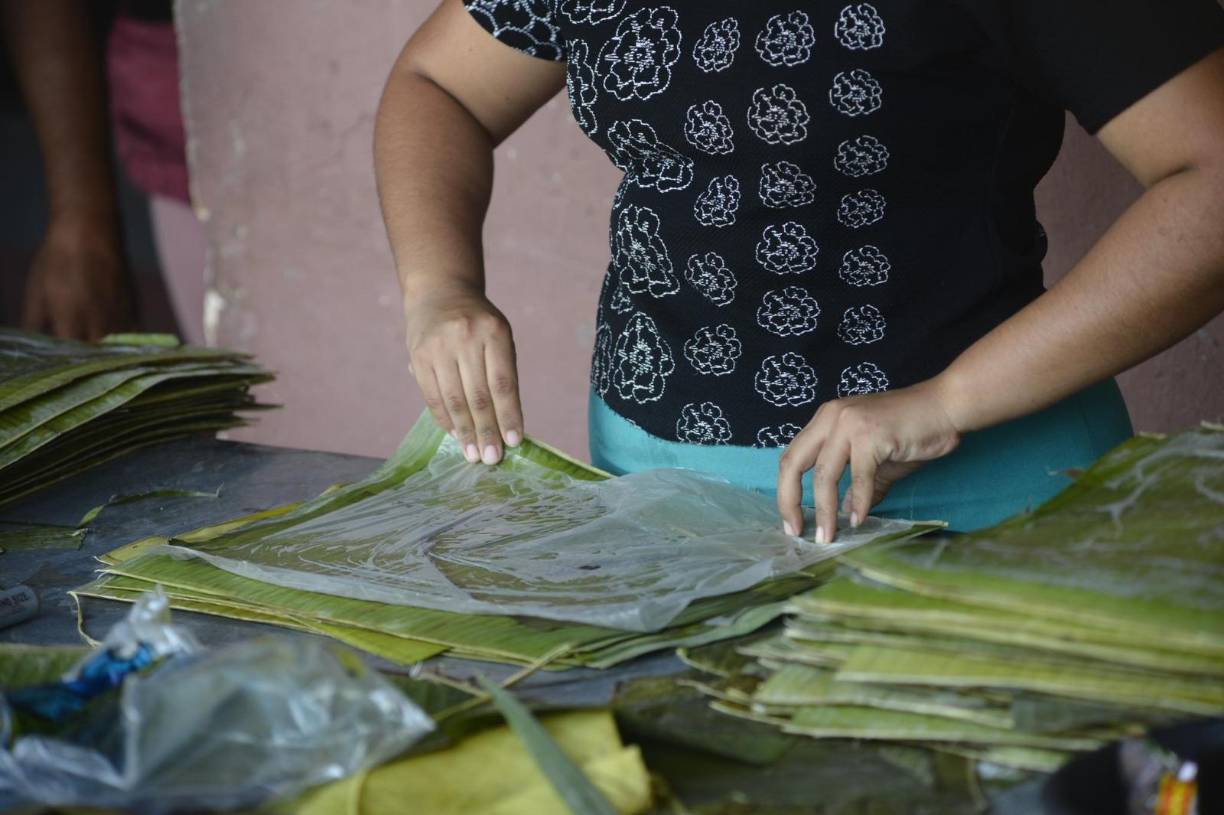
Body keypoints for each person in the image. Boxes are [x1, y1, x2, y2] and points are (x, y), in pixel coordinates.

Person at [375, 0, 1224, 537]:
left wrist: (950, 398)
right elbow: (437, 83)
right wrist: (439, 285)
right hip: (653, 489)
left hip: (984, 487)